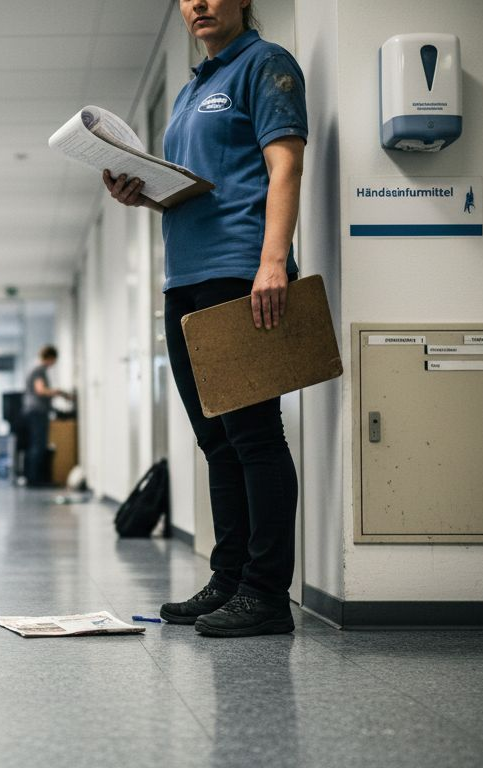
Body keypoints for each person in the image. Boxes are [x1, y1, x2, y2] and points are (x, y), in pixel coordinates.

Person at [103, 0, 307, 637]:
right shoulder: (195, 86)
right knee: (216, 441)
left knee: (254, 438)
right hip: (184, 280)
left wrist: (273, 261)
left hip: (239, 274)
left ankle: (268, 593)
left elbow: (285, 165)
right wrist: (142, 193)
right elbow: (200, 186)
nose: (198, 3)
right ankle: (230, 579)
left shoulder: (266, 64)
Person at [22, 345, 71, 487]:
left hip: (33, 410)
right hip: (37, 411)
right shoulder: (39, 370)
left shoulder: (34, 367)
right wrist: (59, 392)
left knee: (36, 444)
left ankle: (33, 478)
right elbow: (40, 390)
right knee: (38, 445)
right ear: (50, 358)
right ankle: (35, 479)